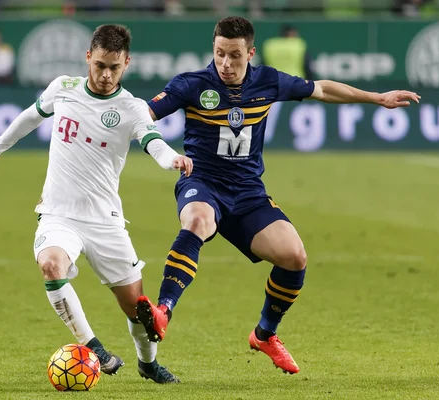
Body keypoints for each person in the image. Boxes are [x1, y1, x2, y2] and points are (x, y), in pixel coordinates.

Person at [136, 16, 420, 374]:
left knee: (294, 257)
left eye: (235, 56)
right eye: (220, 53)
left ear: (250, 53)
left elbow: (321, 89)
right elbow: (143, 113)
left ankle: (265, 335)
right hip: (203, 182)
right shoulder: (191, 84)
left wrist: (376, 98)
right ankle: (163, 311)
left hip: (249, 193)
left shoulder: (267, 81)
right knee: (197, 220)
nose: (226, 63)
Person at [0, 24, 192, 384]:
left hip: (105, 221)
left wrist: (173, 160)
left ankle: (147, 363)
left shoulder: (132, 107)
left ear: (127, 64)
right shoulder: (63, 88)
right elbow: (30, 117)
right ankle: (94, 349)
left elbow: (153, 141)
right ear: (88, 57)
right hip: (59, 214)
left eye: (115, 68)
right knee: (51, 265)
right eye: (100, 65)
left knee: (137, 308)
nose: (106, 75)